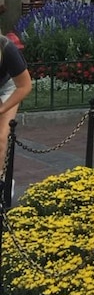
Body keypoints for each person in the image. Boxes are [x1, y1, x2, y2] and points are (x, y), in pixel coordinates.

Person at [0, 34, 33, 200]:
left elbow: (25, 86)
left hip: (8, 87)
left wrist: (2, 109)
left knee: (1, 137)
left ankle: (2, 184)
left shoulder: (7, 48)